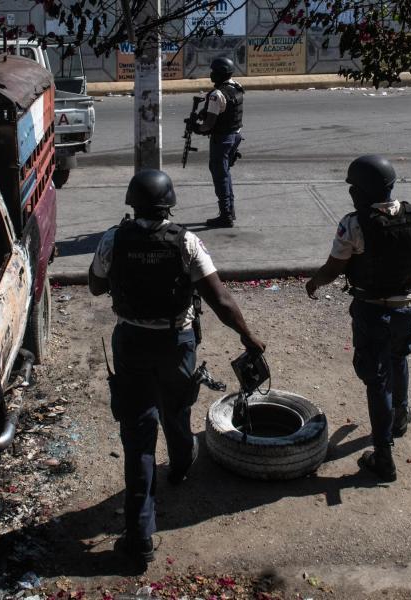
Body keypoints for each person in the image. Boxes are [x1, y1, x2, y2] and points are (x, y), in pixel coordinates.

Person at [89, 170, 265, 562]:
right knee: (177, 406)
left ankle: (139, 537)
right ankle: (182, 463)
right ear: (170, 203)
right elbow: (219, 298)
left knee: (138, 435)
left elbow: (97, 286)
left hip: (131, 341)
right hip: (176, 342)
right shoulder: (186, 242)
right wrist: (248, 336)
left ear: (132, 202)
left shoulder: (113, 238)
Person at [304, 155, 411, 482]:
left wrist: (313, 283)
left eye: (353, 187)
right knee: (399, 358)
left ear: (360, 192)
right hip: (406, 309)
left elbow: (334, 268)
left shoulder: (353, 224)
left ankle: (383, 456)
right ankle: (401, 414)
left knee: (376, 379)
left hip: (371, 311)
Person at [189, 57, 244, 228]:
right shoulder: (236, 87)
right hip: (235, 136)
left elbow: (208, 125)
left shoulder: (217, 94)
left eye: (214, 71)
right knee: (225, 174)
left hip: (222, 140)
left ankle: (226, 215)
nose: (211, 74)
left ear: (220, 73)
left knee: (220, 176)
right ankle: (230, 211)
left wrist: (195, 128)